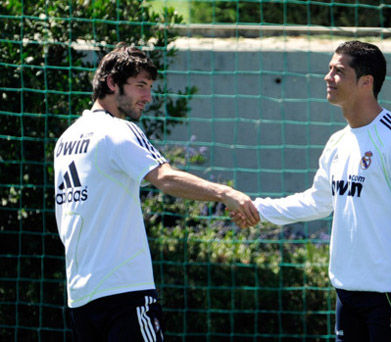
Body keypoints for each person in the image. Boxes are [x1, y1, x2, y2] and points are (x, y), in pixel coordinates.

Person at [231, 40, 391, 341]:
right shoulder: (338, 142)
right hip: (347, 294)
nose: (328, 78)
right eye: (329, 69)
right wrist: (257, 209)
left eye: (338, 71)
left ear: (367, 82)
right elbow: (317, 201)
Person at [54, 43, 259, 342]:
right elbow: (165, 178)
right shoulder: (119, 130)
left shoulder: (65, 139)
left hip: (81, 297)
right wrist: (224, 192)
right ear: (112, 83)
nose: (147, 97)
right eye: (140, 86)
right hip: (125, 293)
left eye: (149, 87)